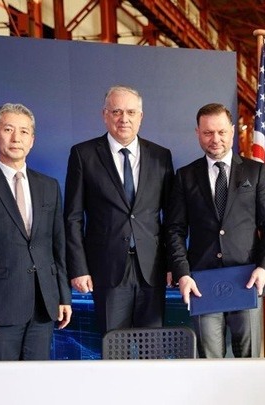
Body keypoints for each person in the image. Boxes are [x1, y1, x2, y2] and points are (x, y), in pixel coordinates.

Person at [0, 103, 72, 360]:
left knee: (37, 382)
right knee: (0, 382)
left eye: (24, 131)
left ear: (32, 140)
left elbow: (58, 246)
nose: (16, 138)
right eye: (8, 129)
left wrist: (64, 296)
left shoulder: (49, 186)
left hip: (43, 306)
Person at [167, 103, 265, 358]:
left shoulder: (255, 171)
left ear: (232, 131)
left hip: (247, 280)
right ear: (198, 133)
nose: (215, 139)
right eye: (208, 133)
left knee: (249, 361)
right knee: (209, 362)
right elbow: (175, 230)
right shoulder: (185, 176)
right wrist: (182, 274)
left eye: (221, 132)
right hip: (202, 284)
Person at [64, 85, 175, 335]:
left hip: (152, 269)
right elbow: (72, 218)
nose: (124, 119)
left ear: (141, 117)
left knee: (151, 347)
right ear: (105, 115)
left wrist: (172, 265)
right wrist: (79, 268)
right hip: (106, 269)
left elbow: (171, 218)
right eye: (116, 111)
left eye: (131, 112)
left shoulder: (161, 156)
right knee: (114, 346)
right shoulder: (83, 155)